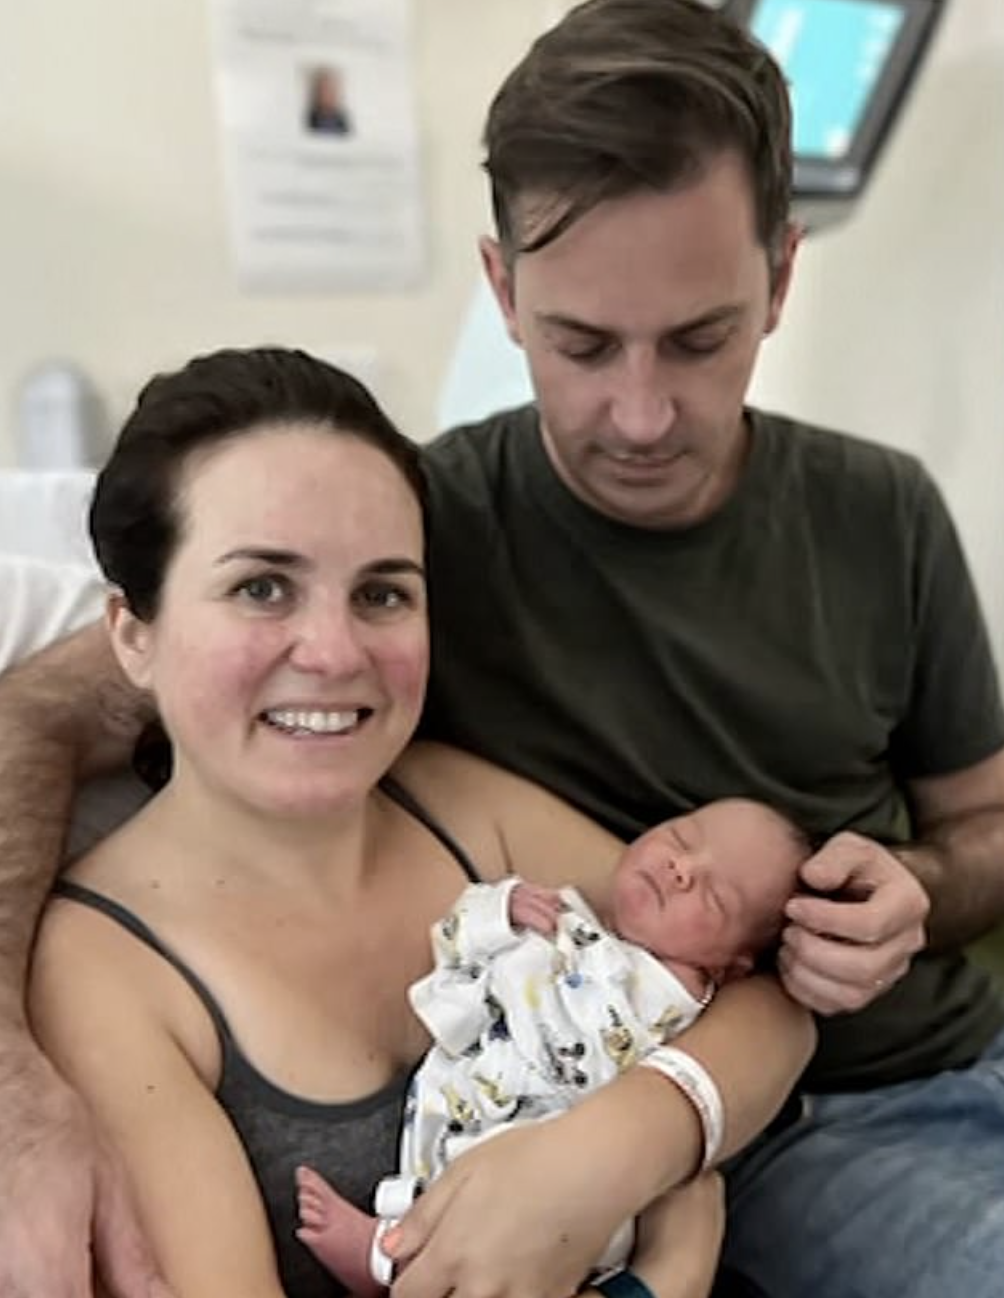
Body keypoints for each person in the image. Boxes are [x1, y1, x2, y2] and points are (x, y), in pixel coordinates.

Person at [0, 0, 997, 1293]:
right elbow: (47, 703)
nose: (640, 412)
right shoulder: (395, 536)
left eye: (701, 339)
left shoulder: (885, 510)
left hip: (906, 1056)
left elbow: (986, 826)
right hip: (772, 1143)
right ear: (502, 290)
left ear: (783, 276)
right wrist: (14, 1084)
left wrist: (911, 892)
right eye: (581, 345)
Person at [24, 345, 811, 1298]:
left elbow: (771, 1001)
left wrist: (606, 1153)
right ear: (131, 634)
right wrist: (672, 1272)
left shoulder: (459, 808)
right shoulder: (105, 966)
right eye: (262, 587)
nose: (334, 650)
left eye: (382, 592)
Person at [295, 798, 810, 1294]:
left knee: (520, 1216)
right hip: (476, 1092)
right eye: (681, 837)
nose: (682, 869)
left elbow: (765, 1030)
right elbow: (455, 947)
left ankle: (391, 1254)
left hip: (561, 1145)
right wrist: (501, 911)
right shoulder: (566, 913)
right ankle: (393, 1249)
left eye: (716, 898)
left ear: (733, 964)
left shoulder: (684, 1003)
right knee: (450, 1170)